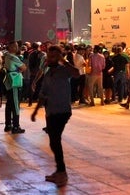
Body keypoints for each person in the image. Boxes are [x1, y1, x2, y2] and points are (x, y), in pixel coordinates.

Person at [31, 44, 80, 187]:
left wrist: (64, 61)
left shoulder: (64, 70)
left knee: (55, 141)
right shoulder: (48, 73)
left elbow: (76, 73)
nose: (50, 58)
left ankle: (62, 173)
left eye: (53, 56)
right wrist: (35, 111)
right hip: (51, 111)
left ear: (59, 57)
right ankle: (59, 171)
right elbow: (43, 94)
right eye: (49, 56)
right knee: (54, 141)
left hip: (62, 111)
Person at [3, 41, 27, 134]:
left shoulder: (6, 56)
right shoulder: (13, 57)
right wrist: (20, 70)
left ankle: (8, 125)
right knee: (16, 104)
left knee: (9, 104)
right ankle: (16, 126)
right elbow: (24, 67)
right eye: (16, 46)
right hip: (15, 83)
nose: (18, 48)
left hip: (9, 82)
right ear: (12, 47)